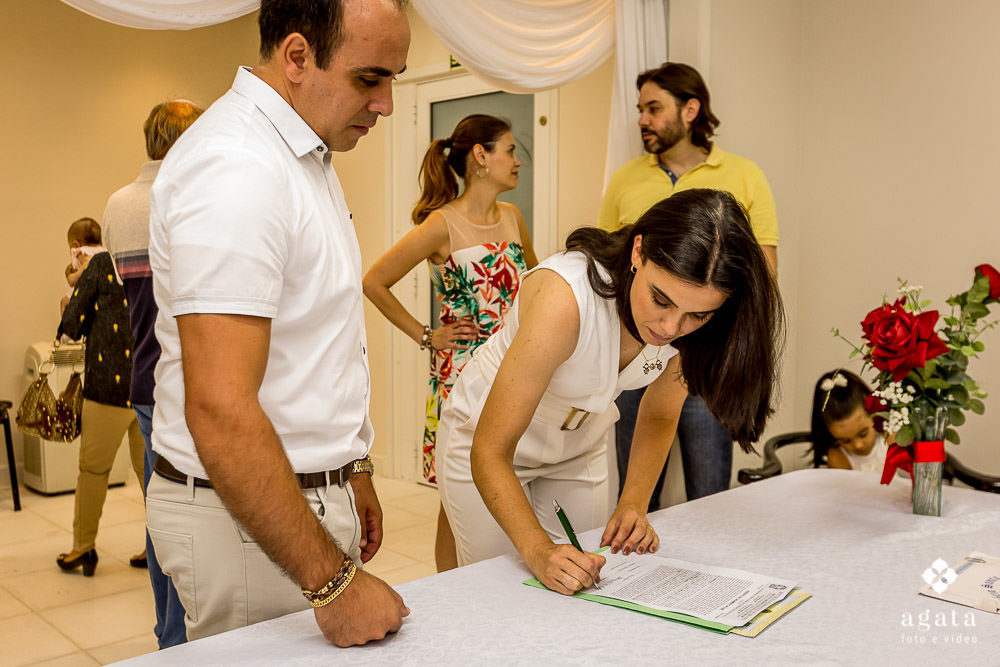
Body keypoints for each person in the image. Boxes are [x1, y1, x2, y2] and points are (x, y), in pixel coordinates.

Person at [145, 0, 411, 646]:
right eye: (369, 78)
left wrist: (350, 465)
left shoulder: (299, 154)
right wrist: (334, 584)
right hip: (245, 520)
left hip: (296, 496)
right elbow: (220, 409)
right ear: (297, 56)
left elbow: (315, 340)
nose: (385, 104)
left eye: (393, 79)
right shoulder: (237, 166)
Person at [437, 189, 783, 594]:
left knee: (584, 583)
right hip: (486, 441)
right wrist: (538, 550)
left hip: (578, 444)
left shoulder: (692, 330)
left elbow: (660, 413)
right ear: (638, 251)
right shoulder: (565, 298)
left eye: (697, 314)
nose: (671, 328)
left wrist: (634, 503)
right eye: (661, 299)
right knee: (502, 591)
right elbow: (490, 450)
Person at [598, 62, 780, 509]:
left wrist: (698, 316)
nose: (642, 119)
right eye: (640, 110)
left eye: (654, 108)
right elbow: (607, 265)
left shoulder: (745, 175)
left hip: (702, 359)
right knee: (635, 493)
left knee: (710, 491)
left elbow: (763, 276)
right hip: (635, 357)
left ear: (690, 109)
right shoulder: (624, 179)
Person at [363, 114, 538, 572]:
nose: (517, 161)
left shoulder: (513, 217)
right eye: (510, 150)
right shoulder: (441, 225)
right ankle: (447, 590)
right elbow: (375, 282)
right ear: (481, 156)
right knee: (455, 494)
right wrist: (427, 335)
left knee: (510, 476)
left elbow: (537, 287)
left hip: (514, 368)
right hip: (462, 376)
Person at [104, 99, 203, 649]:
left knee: (160, 511)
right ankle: (188, 641)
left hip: (145, 378)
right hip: (195, 385)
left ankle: (169, 636)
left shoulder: (118, 204)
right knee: (198, 522)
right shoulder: (195, 197)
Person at [56, 218, 144, 577]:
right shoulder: (149, 260)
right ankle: (158, 549)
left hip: (107, 388)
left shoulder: (99, 266)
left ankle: (83, 548)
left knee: (93, 472)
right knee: (152, 477)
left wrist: (66, 304)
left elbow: (72, 327)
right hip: (149, 387)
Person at [810, 370, 889, 473]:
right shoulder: (838, 458)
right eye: (845, 441)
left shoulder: (889, 436)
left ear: (873, 411)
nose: (858, 445)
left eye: (863, 434)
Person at [61, 219, 104, 308]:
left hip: (89, 292)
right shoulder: (104, 251)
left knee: (64, 301)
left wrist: (74, 277)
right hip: (103, 291)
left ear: (75, 245)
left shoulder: (81, 251)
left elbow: (90, 262)